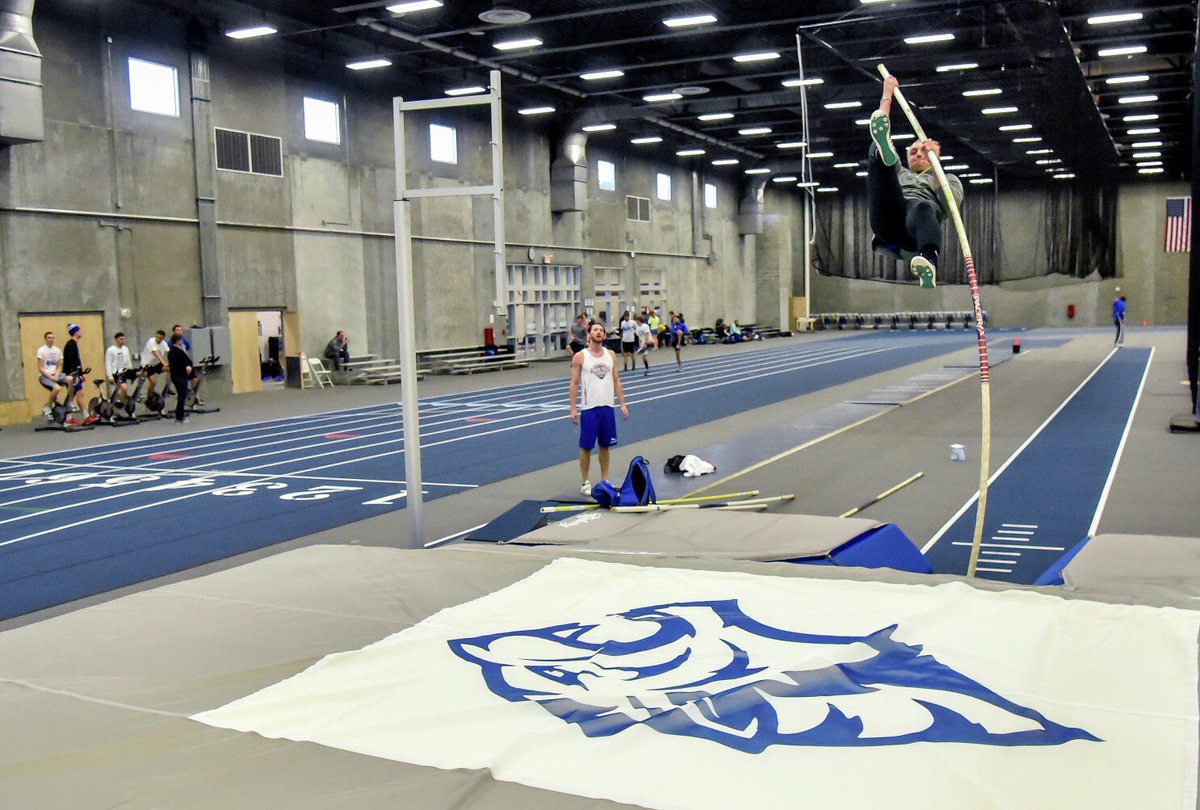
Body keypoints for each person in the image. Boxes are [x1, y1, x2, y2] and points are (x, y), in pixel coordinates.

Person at [868, 74, 963, 289]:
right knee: (879, 155)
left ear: (936, 157)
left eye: (924, 152)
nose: (917, 154)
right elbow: (879, 126)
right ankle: (883, 151)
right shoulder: (900, 172)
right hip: (887, 222)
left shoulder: (948, 179)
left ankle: (928, 262)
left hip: (915, 230)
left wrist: (935, 166)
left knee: (923, 206)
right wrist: (887, 94)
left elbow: (950, 206)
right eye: (913, 151)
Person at [569, 320, 629, 497]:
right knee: (586, 447)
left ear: (604, 335)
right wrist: (573, 408)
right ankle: (585, 481)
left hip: (607, 407)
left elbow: (616, 380)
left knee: (605, 446)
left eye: (601, 330)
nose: (598, 332)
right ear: (589, 335)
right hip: (589, 408)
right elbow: (574, 383)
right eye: (595, 329)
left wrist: (622, 403)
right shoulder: (580, 356)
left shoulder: (610, 355)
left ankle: (605, 479)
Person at [36, 331, 69, 421]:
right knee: (57, 388)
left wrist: (57, 374)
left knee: (71, 379)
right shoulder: (41, 350)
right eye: (49, 338)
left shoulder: (57, 350)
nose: (51, 339)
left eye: (53, 337)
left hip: (55, 374)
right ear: (45, 339)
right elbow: (41, 368)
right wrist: (51, 377)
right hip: (45, 376)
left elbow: (59, 366)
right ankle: (48, 406)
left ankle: (68, 404)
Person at [171, 324, 204, 406]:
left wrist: (188, 364)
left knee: (195, 379)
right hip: (177, 368)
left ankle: (194, 396)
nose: (179, 331)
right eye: (177, 330)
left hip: (186, 365)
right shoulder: (171, 342)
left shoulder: (184, 341)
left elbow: (187, 352)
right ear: (174, 332)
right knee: (181, 386)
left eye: (180, 330)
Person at [60, 322, 88, 415]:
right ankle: (85, 416)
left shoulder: (74, 344)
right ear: (75, 332)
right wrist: (77, 375)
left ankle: (66, 417)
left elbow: (77, 361)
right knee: (79, 393)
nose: (81, 332)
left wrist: (81, 373)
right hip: (71, 374)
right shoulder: (71, 344)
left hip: (75, 373)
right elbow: (70, 362)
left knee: (72, 395)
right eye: (79, 330)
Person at [167, 334, 193, 424]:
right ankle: (179, 417)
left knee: (181, 396)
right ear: (178, 341)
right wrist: (188, 367)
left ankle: (179, 415)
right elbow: (188, 361)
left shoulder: (170, 352)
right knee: (182, 396)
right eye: (181, 340)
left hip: (174, 376)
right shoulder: (179, 352)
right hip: (181, 376)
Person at [104, 332, 136, 405]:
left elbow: (128, 362)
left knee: (123, 390)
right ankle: (119, 405)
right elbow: (108, 364)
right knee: (124, 388)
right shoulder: (111, 350)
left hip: (124, 372)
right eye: (121, 339)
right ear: (116, 340)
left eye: (124, 339)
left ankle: (119, 401)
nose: (123, 341)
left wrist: (131, 374)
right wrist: (110, 377)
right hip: (115, 373)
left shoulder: (125, 349)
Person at [141, 329, 168, 399]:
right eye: (157, 338)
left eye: (160, 338)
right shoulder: (151, 341)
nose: (158, 340)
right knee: (153, 381)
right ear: (155, 336)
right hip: (147, 365)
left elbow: (170, 353)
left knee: (171, 369)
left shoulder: (164, 344)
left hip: (156, 364)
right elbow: (157, 355)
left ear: (163, 338)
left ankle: (167, 388)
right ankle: (150, 398)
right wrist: (165, 364)